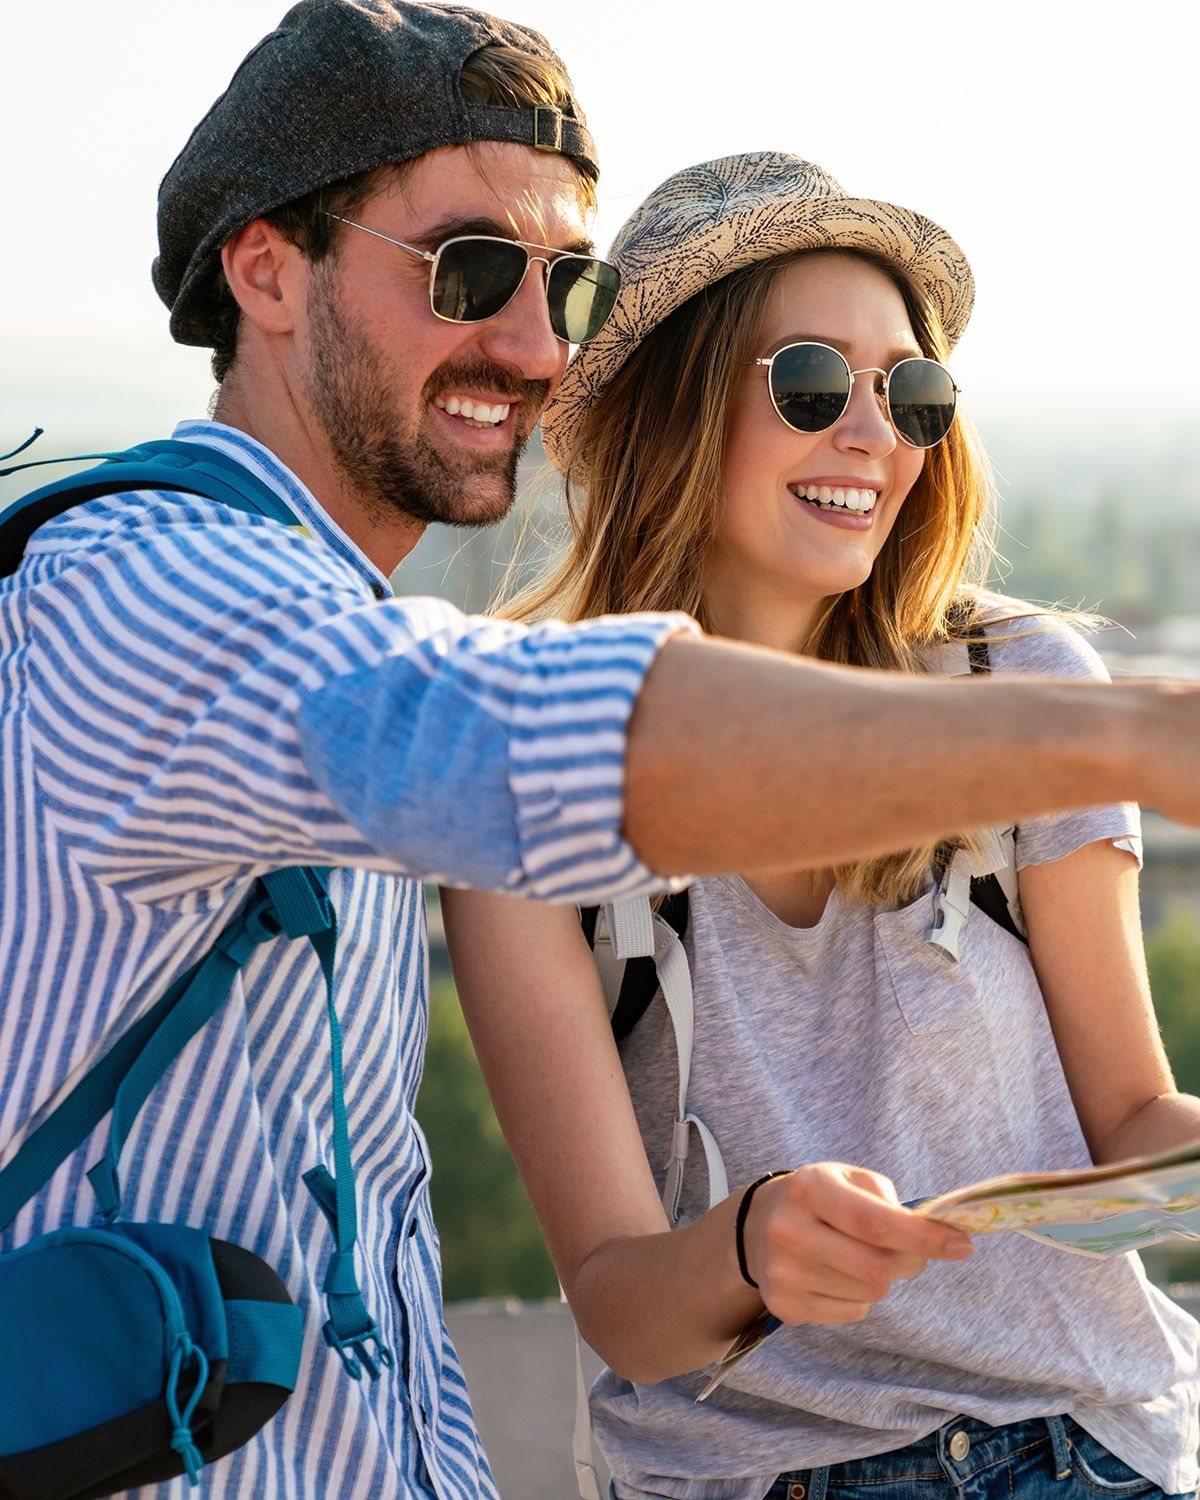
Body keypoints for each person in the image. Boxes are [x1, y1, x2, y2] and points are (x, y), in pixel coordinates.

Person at [4, 5, 1200, 1495]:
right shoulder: (160, 591)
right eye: (466, 269)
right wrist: (1122, 729)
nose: (530, 343)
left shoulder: (334, 631)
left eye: (565, 289)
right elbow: (524, 741)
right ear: (267, 270)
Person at [442, 152, 1200, 1500]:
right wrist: (751, 1246)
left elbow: (1132, 1116)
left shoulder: (1018, 687)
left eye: (913, 395)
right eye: (809, 384)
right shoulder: (521, 767)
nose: (874, 436)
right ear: (676, 413)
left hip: (1090, 1453)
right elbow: (621, 1303)